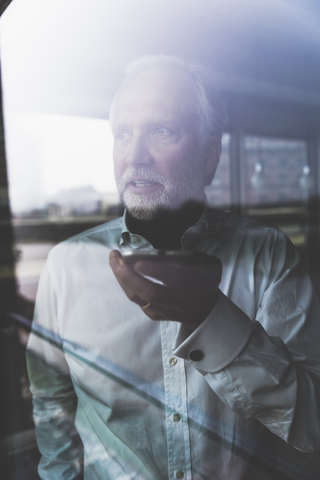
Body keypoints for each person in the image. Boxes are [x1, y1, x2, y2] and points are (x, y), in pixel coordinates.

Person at [27, 55, 320, 480]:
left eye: (162, 130)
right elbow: (50, 399)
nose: (135, 154)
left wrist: (209, 317)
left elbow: (310, 423)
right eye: (123, 133)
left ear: (208, 156)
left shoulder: (267, 253)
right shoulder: (66, 265)